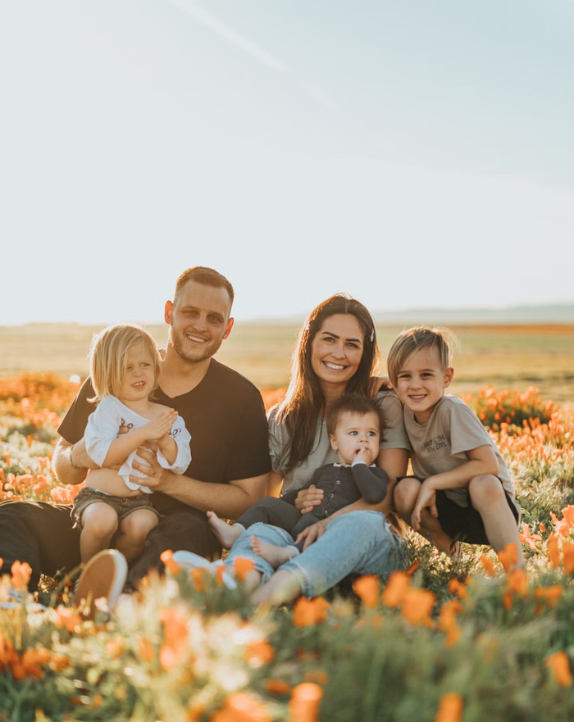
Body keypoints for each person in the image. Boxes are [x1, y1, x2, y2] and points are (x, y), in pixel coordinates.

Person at [0, 267, 271, 601]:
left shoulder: (240, 398)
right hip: (98, 525)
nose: (201, 325)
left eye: (214, 318)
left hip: (171, 533)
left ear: (227, 328)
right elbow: (64, 466)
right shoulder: (117, 372)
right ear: (169, 312)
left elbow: (251, 498)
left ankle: (124, 600)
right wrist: (77, 456)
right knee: (13, 516)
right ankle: (10, 603)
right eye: (190, 312)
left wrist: (169, 483)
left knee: (188, 531)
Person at [174, 294, 411, 604]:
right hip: (298, 540)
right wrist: (295, 500)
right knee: (263, 530)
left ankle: (267, 596)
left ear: (364, 353)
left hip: (368, 547)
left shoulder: (381, 405)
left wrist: (328, 523)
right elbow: (265, 498)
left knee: (360, 523)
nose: (339, 353)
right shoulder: (285, 417)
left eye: (352, 344)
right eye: (329, 340)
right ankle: (235, 583)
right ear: (309, 342)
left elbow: (387, 497)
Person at [388, 327, 523, 567]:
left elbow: (488, 465)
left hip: (488, 509)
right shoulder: (404, 413)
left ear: (447, 378)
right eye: (405, 376)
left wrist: (432, 482)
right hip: (446, 510)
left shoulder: (452, 410)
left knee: (484, 483)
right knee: (403, 490)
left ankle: (516, 573)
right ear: (394, 382)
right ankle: (453, 559)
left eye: (426, 375)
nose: (415, 385)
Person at [208, 393, 389, 568]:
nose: (364, 439)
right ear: (335, 442)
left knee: (317, 533)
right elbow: (298, 494)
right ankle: (236, 532)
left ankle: (288, 553)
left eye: (371, 434)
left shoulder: (376, 475)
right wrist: (288, 503)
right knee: (268, 504)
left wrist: (360, 465)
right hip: (302, 520)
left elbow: (373, 494)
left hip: (331, 529)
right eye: (354, 433)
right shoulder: (325, 471)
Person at [73, 323, 191, 564]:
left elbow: (181, 463)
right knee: (101, 522)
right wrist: (142, 434)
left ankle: (115, 572)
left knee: (145, 524)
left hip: (138, 501)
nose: (138, 373)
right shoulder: (109, 408)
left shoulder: (167, 415)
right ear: (107, 374)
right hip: (98, 496)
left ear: (156, 369)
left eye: (145, 365)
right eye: (127, 368)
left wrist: (166, 442)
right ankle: (86, 574)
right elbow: (101, 455)